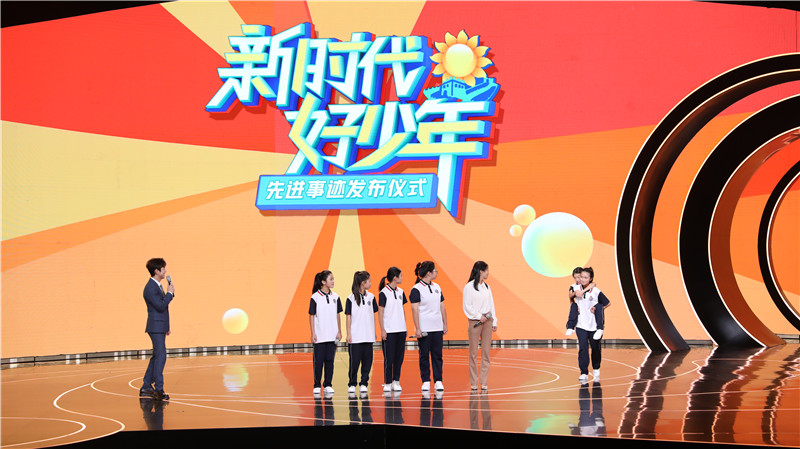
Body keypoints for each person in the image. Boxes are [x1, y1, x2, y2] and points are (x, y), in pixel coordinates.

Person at [141, 258, 175, 401]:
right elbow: (161, 306)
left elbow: (163, 308)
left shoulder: (157, 286)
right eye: (163, 268)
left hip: (159, 326)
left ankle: (146, 386)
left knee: (157, 356)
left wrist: (166, 326)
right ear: (156, 271)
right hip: (155, 326)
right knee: (161, 356)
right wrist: (169, 293)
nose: (165, 271)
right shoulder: (150, 288)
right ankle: (158, 389)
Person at [410, 261, 448, 392]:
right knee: (424, 355)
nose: (437, 273)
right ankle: (426, 381)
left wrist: (445, 323)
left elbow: (442, 306)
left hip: (437, 327)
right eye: (435, 271)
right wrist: (417, 328)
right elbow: (414, 309)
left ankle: (438, 381)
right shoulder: (416, 289)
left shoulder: (437, 287)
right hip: (424, 328)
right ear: (428, 273)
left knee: (438, 355)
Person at [462, 261, 497, 391]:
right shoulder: (469, 287)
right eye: (486, 270)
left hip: (487, 321)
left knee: (486, 352)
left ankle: (484, 382)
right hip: (475, 321)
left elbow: (491, 305)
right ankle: (473, 382)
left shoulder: (487, 287)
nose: (488, 273)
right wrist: (478, 316)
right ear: (481, 271)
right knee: (473, 353)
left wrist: (494, 321)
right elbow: (467, 306)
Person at [573, 267, 611, 382]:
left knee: (595, 348)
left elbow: (607, 303)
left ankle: (596, 367)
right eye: (581, 277)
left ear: (590, 279)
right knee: (583, 348)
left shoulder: (595, 291)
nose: (583, 279)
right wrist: (574, 306)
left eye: (586, 277)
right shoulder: (576, 288)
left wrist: (597, 308)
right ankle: (584, 372)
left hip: (594, 326)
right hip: (581, 325)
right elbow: (570, 295)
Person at [309, 270, 342, 395]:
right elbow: (311, 315)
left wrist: (339, 331)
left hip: (332, 335)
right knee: (318, 362)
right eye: (331, 279)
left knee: (330, 361)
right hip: (320, 336)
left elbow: (338, 315)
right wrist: (313, 333)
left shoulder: (336, 297)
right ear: (323, 282)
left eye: (333, 279)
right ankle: (317, 385)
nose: (333, 281)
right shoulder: (315, 297)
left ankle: (328, 384)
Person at [345, 271, 378, 395]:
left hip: (368, 336)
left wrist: (374, 331)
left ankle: (364, 383)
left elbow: (372, 315)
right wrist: (349, 334)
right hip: (356, 337)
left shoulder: (371, 297)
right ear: (363, 283)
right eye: (369, 281)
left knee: (367, 362)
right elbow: (348, 317)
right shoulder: (350, 298)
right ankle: (352, 383)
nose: (370, 283)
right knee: (354, 362)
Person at [378, 267, 407, 393]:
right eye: (401, 275)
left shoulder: (401, 292)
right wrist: (382, 329)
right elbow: (380, 312)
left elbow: (402, 309)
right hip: (389, 330)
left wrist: (405, 326)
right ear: (395, 277)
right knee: (389, 358)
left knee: (399, 358)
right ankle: (387, 382)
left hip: (401, 329)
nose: (402, 278)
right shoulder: (383, 293)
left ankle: (396, 381)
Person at [565, 266, 598, 337]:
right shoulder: (573, 286)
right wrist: (575, 293)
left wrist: (582, 291)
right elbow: (570, 296)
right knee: (574, 306)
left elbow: (593, 284)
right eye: (575, 278)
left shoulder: (587, 285)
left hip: (588, 306)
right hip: (578, 305)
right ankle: (570, 327)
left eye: (579, 277)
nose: (577, 279)